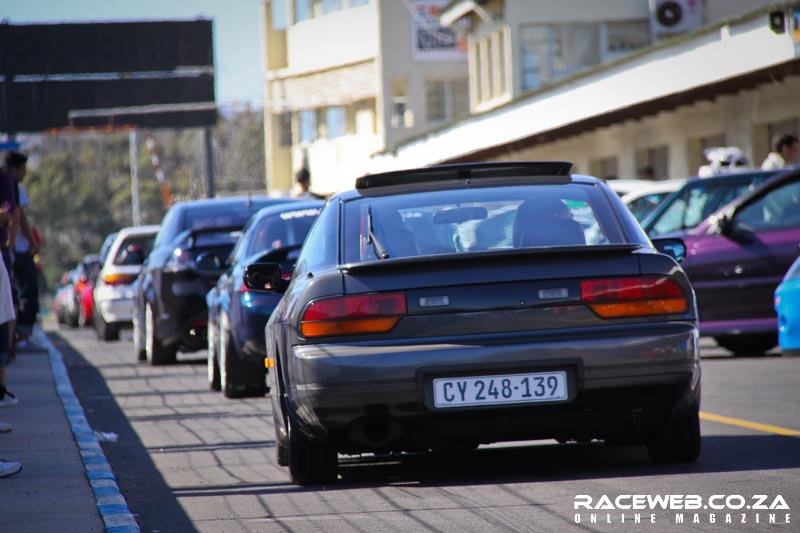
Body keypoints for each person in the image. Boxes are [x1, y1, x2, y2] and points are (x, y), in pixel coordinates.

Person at [6, 152, 40, 349]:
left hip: (14, 249)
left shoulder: (9, 185)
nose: (25, 173)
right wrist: (30, 241)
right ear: (15, 168)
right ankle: (22, 336)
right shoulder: (14, 187)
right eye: (23, 169)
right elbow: (19, 219)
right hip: (16, 250)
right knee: (26, 291)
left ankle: (17, 337)